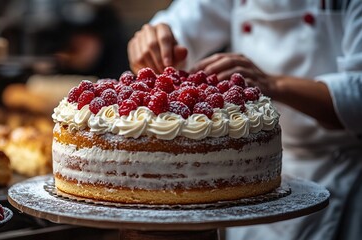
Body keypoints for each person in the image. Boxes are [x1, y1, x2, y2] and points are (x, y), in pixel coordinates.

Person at [127, 0, 362, 240]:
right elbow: (184, 20)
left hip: (344, 175)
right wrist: (154, 41)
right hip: (255, 177)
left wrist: (273, 84)